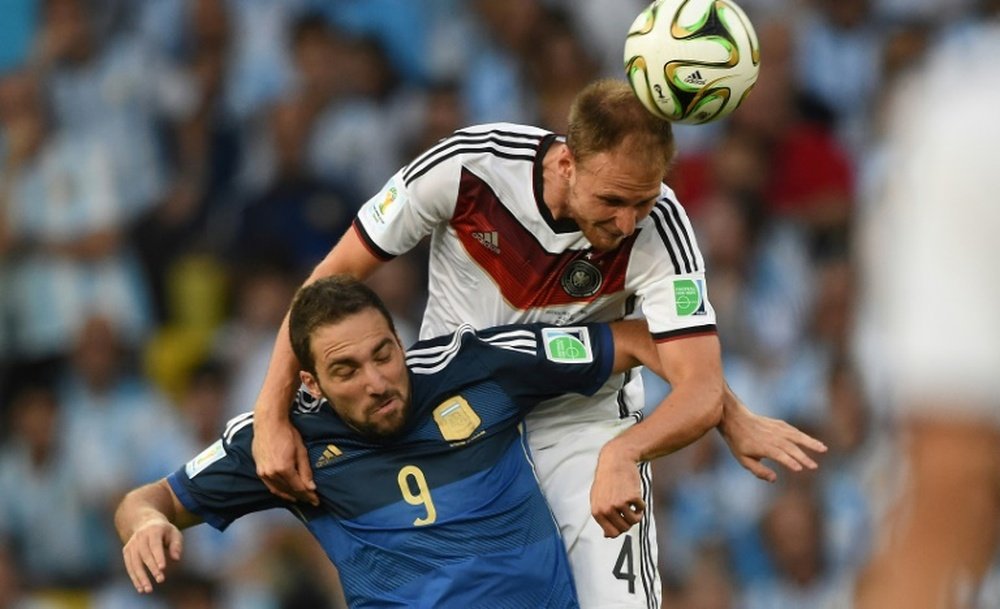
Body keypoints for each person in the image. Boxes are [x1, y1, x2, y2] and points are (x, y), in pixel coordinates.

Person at [251, 79, 827, 607]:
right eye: (613, 201)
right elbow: (328, 285)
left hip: (581, 425)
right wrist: (270, 413)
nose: (628, 223)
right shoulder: (467, 168)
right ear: (567, 162)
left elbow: (694, 381)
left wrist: (628, 451)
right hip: (459, 426)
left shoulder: (663, 230)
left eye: (643, 201)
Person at [118, 275, 671, 607]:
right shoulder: (287, 441)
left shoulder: (476, 366)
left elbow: (644, 338)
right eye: (347, 370)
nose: (377, 381)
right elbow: (146, 501)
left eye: (384, 353)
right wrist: (147, 524)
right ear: (310, 383)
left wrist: (723, 410)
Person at [853, 17, 1000, 609]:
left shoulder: (948, 97)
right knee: (927, 554)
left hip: (941, 372)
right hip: (956, 375)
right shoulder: (963, 104)